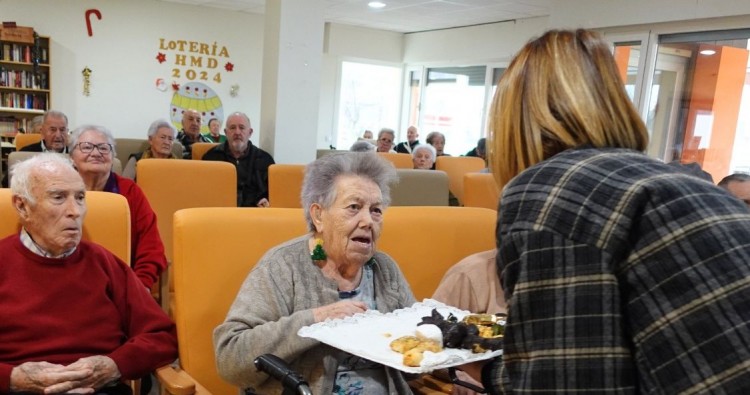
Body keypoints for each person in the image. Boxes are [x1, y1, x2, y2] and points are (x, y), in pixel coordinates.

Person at [463, 28, 750, 393]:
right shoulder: (678, 186)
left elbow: (570, 385)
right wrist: (490, 371)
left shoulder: (551, 192)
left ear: (511, 122)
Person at [214, 152, 416, 394]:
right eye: (354, 207)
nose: (368, 221)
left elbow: (416, 345)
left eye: (376, 210)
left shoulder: (384, 269)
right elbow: (230, 358)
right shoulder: (283, 267)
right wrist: (315, 320)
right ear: (318, 215)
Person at [1, 153, 177, 394]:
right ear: (22, 206)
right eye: (58, 197)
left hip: (101, 388)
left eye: (80, 198)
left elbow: (161, 336)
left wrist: (114, 365)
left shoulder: (104, 262)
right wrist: (12, 377)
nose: (75, 211)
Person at [68, 125, 168, 290]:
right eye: (86, 147)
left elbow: (151, 246)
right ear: (72, 156)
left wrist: (140, 286)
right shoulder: (60, 191)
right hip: (69, 283)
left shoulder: (130, 191)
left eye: (103, 148)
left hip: (121, 285)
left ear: (113, 156)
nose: (96, 153)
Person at [202, 112, 275, 207]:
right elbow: (202, 190)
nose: (237, 132)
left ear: (250, 132)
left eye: (242, 127)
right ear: (226, 132)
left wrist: (267, 200)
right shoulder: (210, 157)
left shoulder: (265, 160)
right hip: (220, 213)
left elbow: (274, 192)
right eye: (232, 128)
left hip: (254, 215)